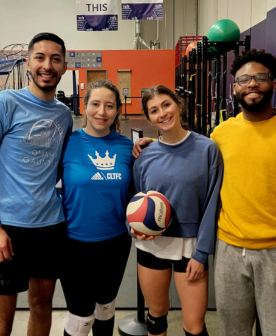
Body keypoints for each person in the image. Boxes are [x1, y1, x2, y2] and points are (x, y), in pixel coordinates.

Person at [130, 85, 223, 336]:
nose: (162, 113)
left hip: (190, 248)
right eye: (154, 110)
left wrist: (202, 252)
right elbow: (136, 200)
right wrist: (135, 230)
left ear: (179, 105)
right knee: (156, 315)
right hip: (152, 246)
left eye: (166, 104)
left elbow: (212, 203)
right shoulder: (145, 156)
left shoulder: (207, 149)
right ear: (148, 119)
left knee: (194, 326)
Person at [0, 32, 72, 336]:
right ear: (28, 63)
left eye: (55, 59)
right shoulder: (7, 102)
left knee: (42, 306)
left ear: (64, 67)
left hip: (49, 226)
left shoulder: (64, 114)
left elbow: (59, 167)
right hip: (8, 226)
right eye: (40, 57)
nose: (47, 65)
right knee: (3, 321)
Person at [59, 80, 133, 336]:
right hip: (73, 244)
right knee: (81, 319)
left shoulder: (127, 147)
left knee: (106, 309)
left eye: (109, 106)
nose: (102, 112)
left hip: (115, 243)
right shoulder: (67, 143)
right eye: (95, 104)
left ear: (117, 110)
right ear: (84, 106)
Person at [211, 49, 276, 336]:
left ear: (273, 83)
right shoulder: (220, 134)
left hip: (274, 251)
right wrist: (153, 145)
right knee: (232, 331)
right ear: (233, 87)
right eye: (244, 79)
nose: (252, 84)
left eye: (260, 77)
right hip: (229, 250)